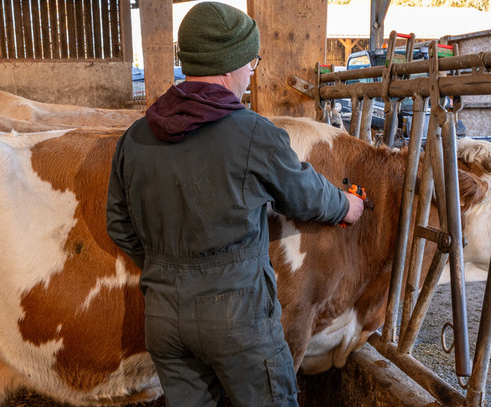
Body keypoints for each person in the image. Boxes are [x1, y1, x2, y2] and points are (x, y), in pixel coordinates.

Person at [106, 2, 364, 406]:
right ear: (230, 66)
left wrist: (170, 268)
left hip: (164, 316)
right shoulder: (252, 134)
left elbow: (119, 225)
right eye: (252, 63)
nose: (251, 73)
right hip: (236, 317)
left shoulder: (136, 136)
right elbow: (303, 194)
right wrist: (346, 206)